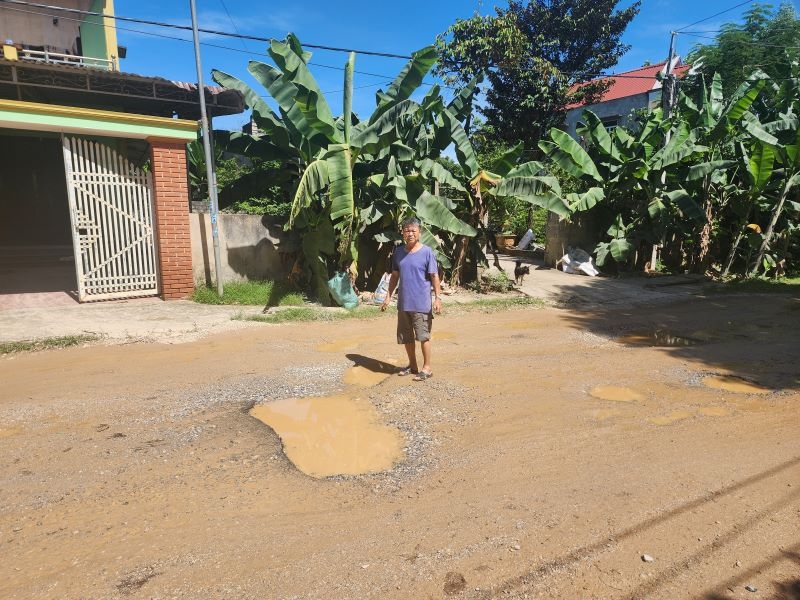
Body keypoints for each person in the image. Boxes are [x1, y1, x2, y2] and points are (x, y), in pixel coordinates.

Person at [380, 217, 442, 381]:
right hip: (404, 303)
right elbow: (394, 276)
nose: (410, 233)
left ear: (419, 233)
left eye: (413, 230)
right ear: (403, 233)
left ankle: (427, 368)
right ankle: (413, 365)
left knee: (423, 336)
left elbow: (434, 276)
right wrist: (388, 296)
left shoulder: (427, 252)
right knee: (406, 337)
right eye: (407, 230)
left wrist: (437, 298)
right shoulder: (399, 252)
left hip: (421, 304)